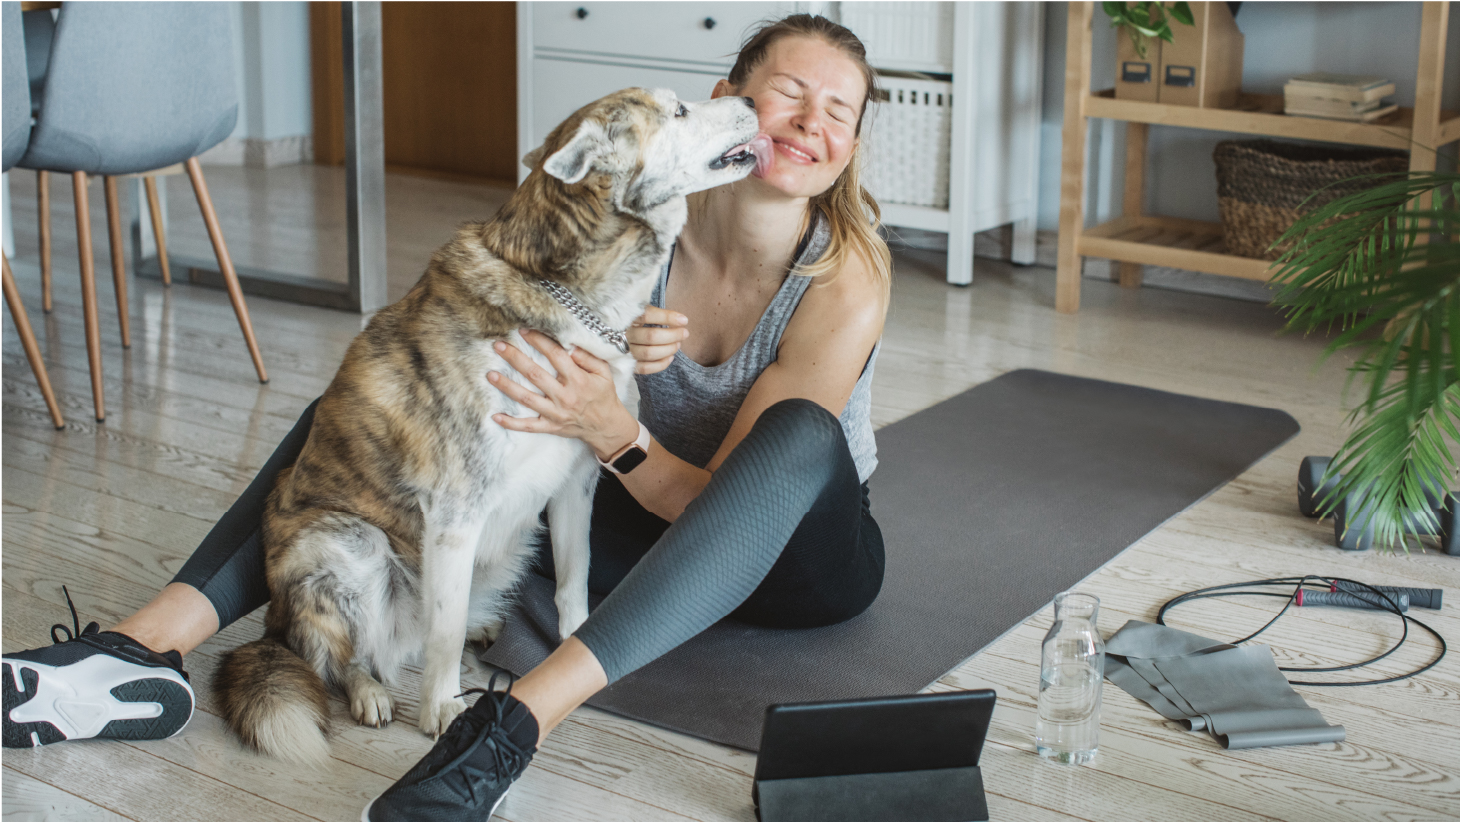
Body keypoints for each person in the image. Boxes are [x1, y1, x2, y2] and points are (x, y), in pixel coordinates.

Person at [3, 14, 892, 820]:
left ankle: (507, 731)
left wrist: (612, 427)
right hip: (631, 510)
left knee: (799, 435)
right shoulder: (649, 202)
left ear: (851, 147)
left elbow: (713, 508)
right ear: (727, 99)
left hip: (789, 560)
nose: (811, 122)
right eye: (789, 92)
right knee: (371, 408)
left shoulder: (848, 277)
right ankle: (139, 647)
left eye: (839, 112)